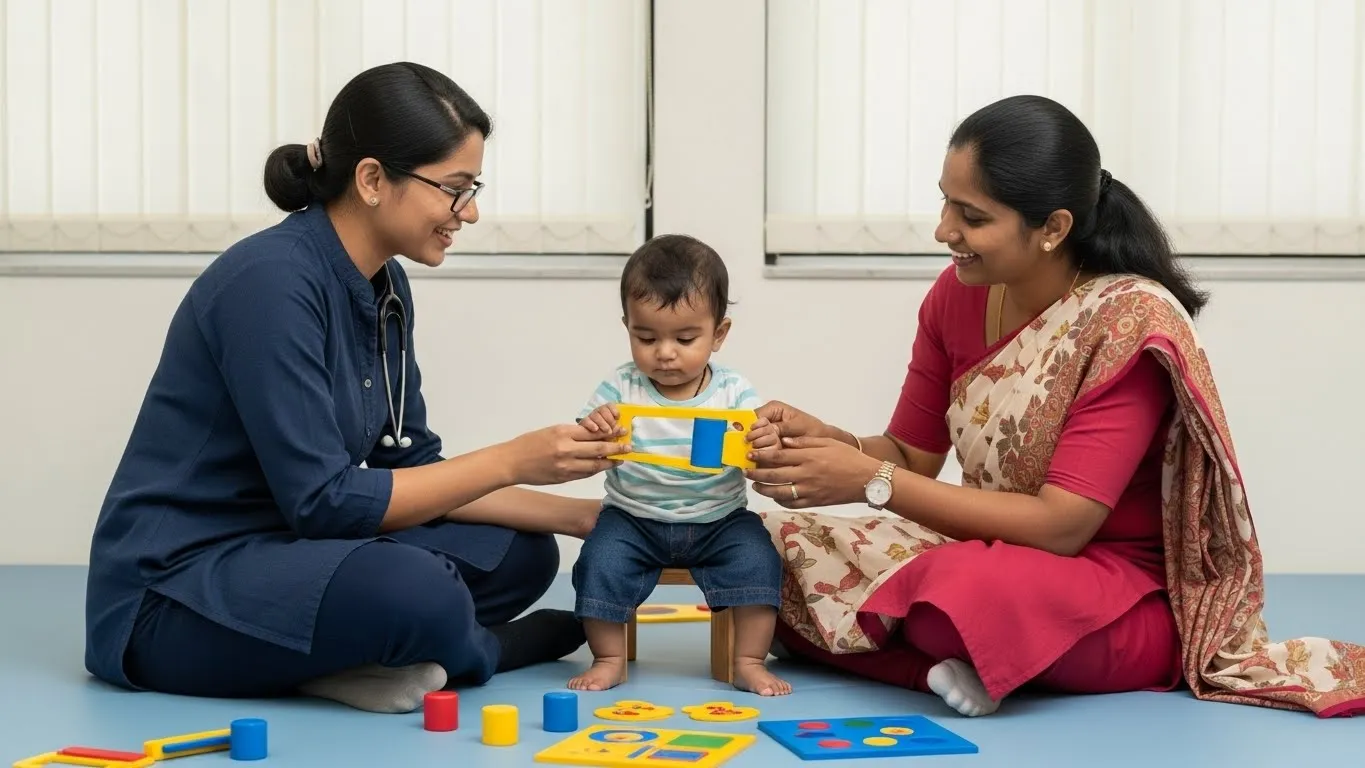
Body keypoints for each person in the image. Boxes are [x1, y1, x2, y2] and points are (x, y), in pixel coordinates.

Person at [742, 94, 1365, 719]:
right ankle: (953, 670)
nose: (943, 231)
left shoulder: (1123, 323)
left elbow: (1062, 526)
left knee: (964, 596)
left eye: (972, 216)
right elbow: (910, 455)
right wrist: (826, 444)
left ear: (1054, 228)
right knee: (758, 554)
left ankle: (950, 652)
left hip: (1110, 591)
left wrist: (871, 482)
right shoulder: (956, 295)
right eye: (944, 202)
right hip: (977, 547)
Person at [83, 62, 631, 715]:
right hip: (174, 593)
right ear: (372, 179)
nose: (472, 212)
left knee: (519, 554)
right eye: (455, 189)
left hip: (290, 554)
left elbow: (414, 469)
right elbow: (324, 503)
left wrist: (584, 517)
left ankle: (348, 664)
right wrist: (513, 459)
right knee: (417, 592)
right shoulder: (269, 284)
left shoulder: (387, 289)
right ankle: (479, 653)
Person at [567, 235, 789, 696]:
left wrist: (762, 442)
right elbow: (585, 441)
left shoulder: (733, 391)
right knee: (598, 561)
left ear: (718, 334)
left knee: (759, 559)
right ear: (627, 327)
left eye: (685, 339)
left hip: (719, 520)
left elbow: (756, 445)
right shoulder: (620, 386)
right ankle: (607, 657)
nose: (664, 352)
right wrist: (596, 427)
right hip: (633, 520)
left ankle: (748, 660)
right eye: (646, 337)